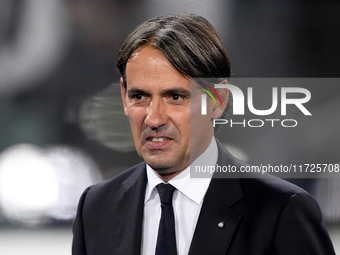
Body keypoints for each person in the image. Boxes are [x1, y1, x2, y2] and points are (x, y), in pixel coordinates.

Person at [72, 14, 336, 255]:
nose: (153, 118)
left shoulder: (281, 210)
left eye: (175, 97)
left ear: (218, 101)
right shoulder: (95, 208)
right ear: (123, 95)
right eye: (139, 96)